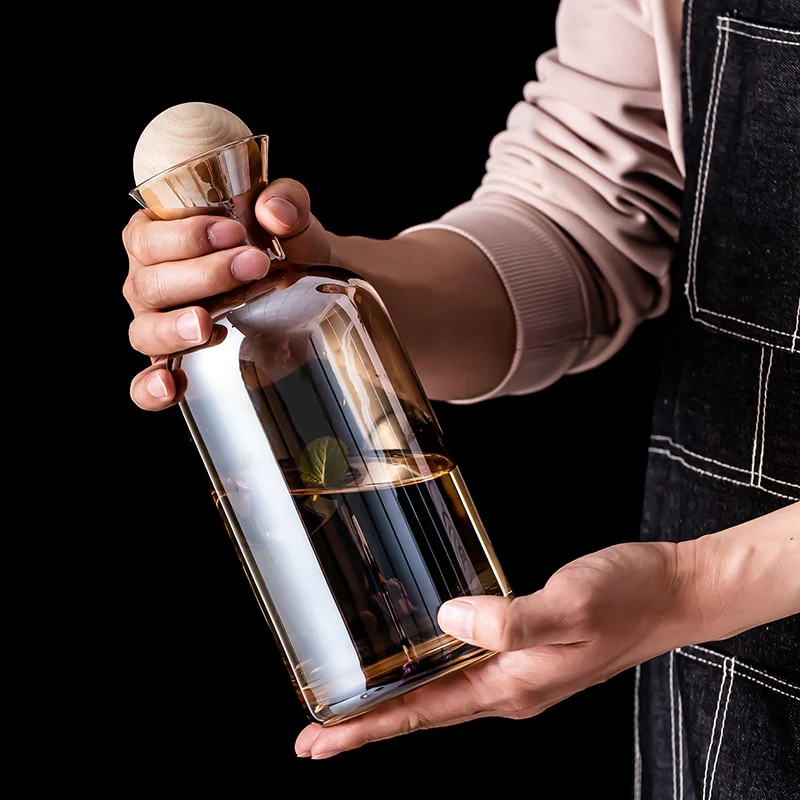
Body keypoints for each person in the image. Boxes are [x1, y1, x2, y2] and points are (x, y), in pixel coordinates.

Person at [121, 1, 799, 796]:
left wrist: (699, 586)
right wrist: (322, 290)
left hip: (699, 598)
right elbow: (586, 214)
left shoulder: (688, 591)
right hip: (731, 698)